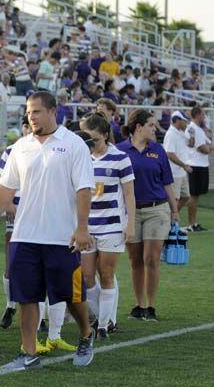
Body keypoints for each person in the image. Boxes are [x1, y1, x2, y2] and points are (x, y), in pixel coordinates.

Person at [0, 91, 96, 370]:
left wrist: (81, 228)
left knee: (70, 295)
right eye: (29, 112)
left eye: (37, 112)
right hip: (24, 235)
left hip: (61, 236)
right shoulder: (20, 146)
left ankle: (86, 334)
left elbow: (84, 189)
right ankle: (28, 352)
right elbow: (5, 190)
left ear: (53, 111)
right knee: (26, 296)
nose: (31, 117)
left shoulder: (74, 144)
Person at [117, 109, 178, 322]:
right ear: (138, 127)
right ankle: (138, 305)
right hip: (130, 212)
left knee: (151, 258)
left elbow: (167, 182)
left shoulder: (158, 150)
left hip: (157, 209)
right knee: (135, 260)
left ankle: (151, 306)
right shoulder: (120, 150)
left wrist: (174, 210)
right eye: (151, 125)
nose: (155, 129)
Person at [79, 112, 136, 340]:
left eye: (95, 139)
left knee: (107, 274)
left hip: (112, 226)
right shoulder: (81, 157)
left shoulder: (120, 158)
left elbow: (130, 194)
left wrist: (130, 224)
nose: (91, 143)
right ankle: (95, 318)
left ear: (105, 135)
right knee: (87, 276)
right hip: (86, 226)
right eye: (87, 138)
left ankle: (103, 325)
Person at [0, 116, 31, 332]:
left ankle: (42, 316)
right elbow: (2, 183)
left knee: (38, 264)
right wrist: (7, 203)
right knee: (11, 263)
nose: (27, 129)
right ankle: (10, 306)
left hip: (37, 214)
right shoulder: (11, 150)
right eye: (24, 125)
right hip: (15, 214)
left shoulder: (47, 149)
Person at [184, 107, 211, 232]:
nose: (204, 117)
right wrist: (210, 147)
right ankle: (191, 224)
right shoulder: (193, 128)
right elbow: (203, 149)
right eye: (203, 114)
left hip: (201, 165)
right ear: (198, 115)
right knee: (193, 196)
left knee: (196, 195)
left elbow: (208, 143)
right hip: (196, 165)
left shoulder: (198, 129)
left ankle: (193, 223)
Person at [163, 111, 194, 214]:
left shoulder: (181, 132)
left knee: (186, 197)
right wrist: (184, 165)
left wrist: (192, 135)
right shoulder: (171, 134)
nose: (186, 123)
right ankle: (172, 224)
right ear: (177, 120)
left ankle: (173, 219)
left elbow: (191, 144)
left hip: (181, 172)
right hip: (174, 173)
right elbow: (169, 154)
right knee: (174, 200)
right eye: (184, 121)